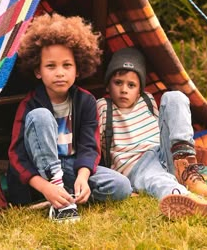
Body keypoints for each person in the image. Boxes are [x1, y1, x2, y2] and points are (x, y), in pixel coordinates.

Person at [8, 13, 132, 222]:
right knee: (40, 116)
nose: (60, 73)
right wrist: (45, 185)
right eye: (51, 66)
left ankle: (66, 196)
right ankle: (56, 197)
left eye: (67, 65)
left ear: (78, 68)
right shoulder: (29, 104)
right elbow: (17, 156)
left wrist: (83, 177)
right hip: (39, 173)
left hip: (71, 166)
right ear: (38, 71)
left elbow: (89, 146)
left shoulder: (86, 101)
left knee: (121, 186)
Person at [97, 47, 207, 219]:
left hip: (164, 152)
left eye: (131, 85)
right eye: (118, 82)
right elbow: (94, 145)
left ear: (139, 90)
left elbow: (166, 126)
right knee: (158, 180)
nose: (124, 89)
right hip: (137, 164)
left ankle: (186, 169)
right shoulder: (102, 106)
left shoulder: (147, 100)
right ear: (108, 84)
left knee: (175, 97)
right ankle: (186, 199)